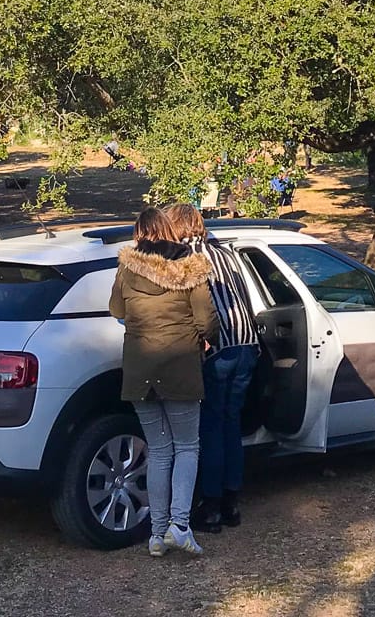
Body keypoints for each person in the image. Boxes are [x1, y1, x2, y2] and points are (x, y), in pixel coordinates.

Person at [108, 206, 217, 557]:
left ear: (139, 233)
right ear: (170, 230)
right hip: (180, 364)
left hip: (140, 369)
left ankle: (156, 534)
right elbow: (207, 318)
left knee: (157, 449)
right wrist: (205, 336)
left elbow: (117, 311)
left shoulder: (127, 267)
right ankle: (179, 526)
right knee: (187, 446)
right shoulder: (191, 266)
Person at [164, 205, 259, 536]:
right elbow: (244, 297)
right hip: (246, 343)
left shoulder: (179, 259)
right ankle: (233, 502)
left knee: (210, 427)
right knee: (231, 423)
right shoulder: (226, 254)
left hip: (215, 348)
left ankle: (212, 506)